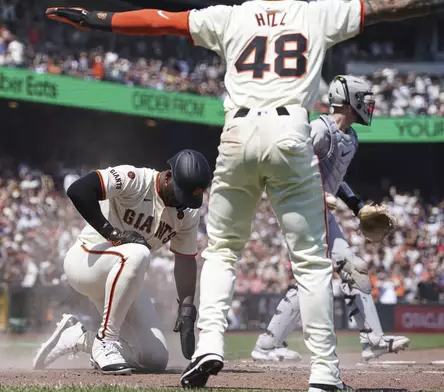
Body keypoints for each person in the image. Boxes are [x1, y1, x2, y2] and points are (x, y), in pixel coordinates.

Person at [45, 1, 442, 390]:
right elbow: (384, 8)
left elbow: (160, 20)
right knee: (309, 261)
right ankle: (324, 371)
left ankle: (209, 345)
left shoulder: (230, 16)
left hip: (237, 132)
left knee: (221, 250)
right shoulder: (316, 12)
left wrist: (102, 20)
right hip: (290, 131)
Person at [250, 75, 409, 364]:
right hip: (303, 208)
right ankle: (269, 345)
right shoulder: (320, 129)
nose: (369, 107)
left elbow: (337, 180)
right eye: (364, 101)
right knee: (327, 273)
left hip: (319, 211)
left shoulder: (350, 136)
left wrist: (357, 206)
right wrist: (318, 195)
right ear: (349, 103)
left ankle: (269, 344)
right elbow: (290, 165)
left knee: (338, 272)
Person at [32, 149, 212, 374]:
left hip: (124, 278)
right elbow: (78, 190)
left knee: (154, 359)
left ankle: (79, 338)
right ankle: (107, 340)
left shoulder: (187, 213)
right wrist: (113, 234)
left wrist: (187, 307)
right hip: (86, 262)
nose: (181, 201)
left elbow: (185, 259)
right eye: (179, 193)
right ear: (168, 176)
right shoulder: (135, 179)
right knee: (139, 252)